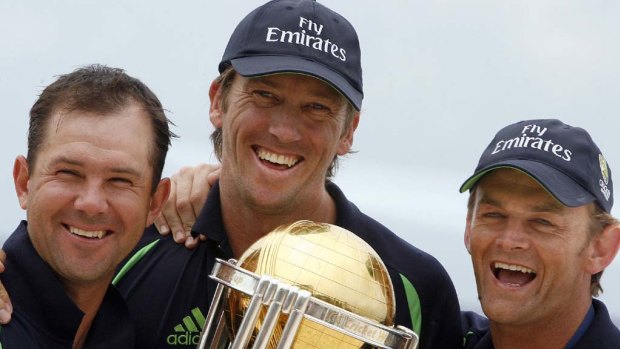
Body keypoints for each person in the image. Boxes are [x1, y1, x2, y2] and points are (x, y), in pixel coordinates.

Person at [112, 0, 462, 348]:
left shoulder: (413, 286)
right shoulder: (129, 245)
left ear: (348, 131)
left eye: (316, 107)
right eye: (265, 95)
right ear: (218, 101)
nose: (285, 131)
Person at [0, 65, 173, 348]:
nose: (91, 203)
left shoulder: (125, 331)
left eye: (119, 180)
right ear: (24, 182)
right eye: (68, 173)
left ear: (155, 203)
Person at [459, 119, 620, 348]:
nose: (508, 241)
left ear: (601, 248)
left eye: (542, 222)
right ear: (469, 226)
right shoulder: (433, 335)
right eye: (494, 215)